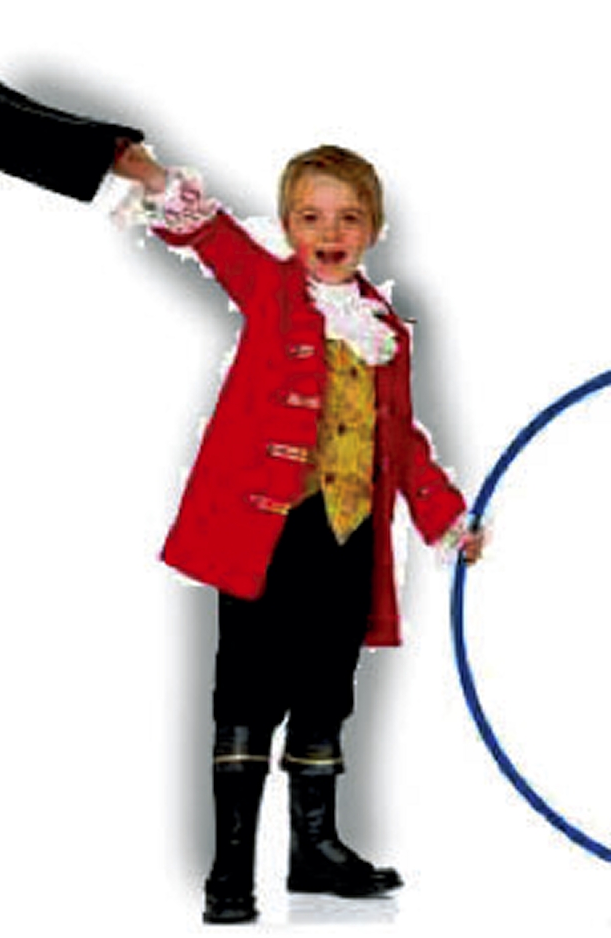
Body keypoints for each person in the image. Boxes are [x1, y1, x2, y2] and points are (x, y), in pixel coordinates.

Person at [109, 141, 484, 924]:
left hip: (349, 537)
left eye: (348, 217)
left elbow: (400, 437)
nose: (330, 231)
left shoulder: (385, 331)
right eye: (311, 217)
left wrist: (447, 519)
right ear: (287, 226)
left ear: (375, 228)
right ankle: (230, 868)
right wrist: (151, 178)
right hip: (266, 533)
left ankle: (314, 851)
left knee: (325, 687)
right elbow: (213, 238)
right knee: (248, 687)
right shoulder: (272, 287)